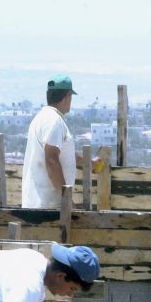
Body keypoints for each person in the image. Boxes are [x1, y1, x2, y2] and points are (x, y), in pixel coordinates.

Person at [22, 74, 100, 209]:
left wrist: (90, 162)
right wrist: (67, 199)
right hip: (49, 209)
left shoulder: (41, 118)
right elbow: (52, 160)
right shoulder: (54, 121)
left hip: (37, 205)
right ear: (67, 96)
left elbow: (61, 153)